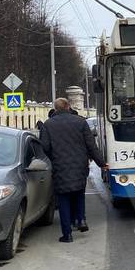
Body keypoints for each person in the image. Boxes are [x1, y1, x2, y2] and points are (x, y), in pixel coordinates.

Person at [39, 97, 106, 243]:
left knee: (63, 199)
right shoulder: (80, 122)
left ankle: (67, 235)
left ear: (55, 109)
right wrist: (102, 163)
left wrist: (53, 158)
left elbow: (44, 147)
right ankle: (81, 220)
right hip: (80, 165)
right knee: (79, 194)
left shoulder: (48, 125)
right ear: (68, 107)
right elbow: (91, 146)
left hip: (60, 167)